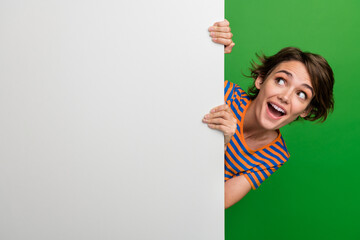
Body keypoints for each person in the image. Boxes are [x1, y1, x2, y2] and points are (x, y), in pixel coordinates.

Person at [203, 20, 334, 208]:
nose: (286, 97)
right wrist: (207, 48)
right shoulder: (224, 95)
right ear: (261, 79)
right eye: (281, 81)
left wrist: (222, 143)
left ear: (305, 110)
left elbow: (217, 204)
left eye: (301, 94)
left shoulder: (276, 155)